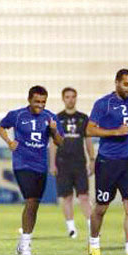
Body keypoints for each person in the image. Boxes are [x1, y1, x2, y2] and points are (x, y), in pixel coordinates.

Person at [0, 86, 64, 255]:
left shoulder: (51, 117)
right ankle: (26, 246)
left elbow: (60, 142)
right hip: (22, 164)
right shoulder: (17, 115)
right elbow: (1, 126)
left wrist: (54, 130)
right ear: (29, 100)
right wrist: (9, 142)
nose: (40, 105)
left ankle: (23, 242)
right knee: (31, 200)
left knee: (34, 205)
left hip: (40, 166)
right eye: (37, 102)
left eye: (43, 102)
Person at [86, 69, 128, 255]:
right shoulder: (104, 104)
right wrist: (114, 132)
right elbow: (89, 129)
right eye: (127, 84)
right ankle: (94, 244)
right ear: (117, 83)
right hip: (107, 162)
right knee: (101, 208)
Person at [49, 87, 95, 239]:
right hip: (62, 163)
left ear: (76, 98)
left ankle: (91, 226)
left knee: (83, 196)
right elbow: (54, 143)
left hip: (79, 162)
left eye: (73, 96)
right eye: (67, 97)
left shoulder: (83, 118)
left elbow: (88, 140)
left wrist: (92, 159)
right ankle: (71, 228)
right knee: (67, 197)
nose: (70, 99)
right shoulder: (57, 118)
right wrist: (52, 163)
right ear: (63, 99)